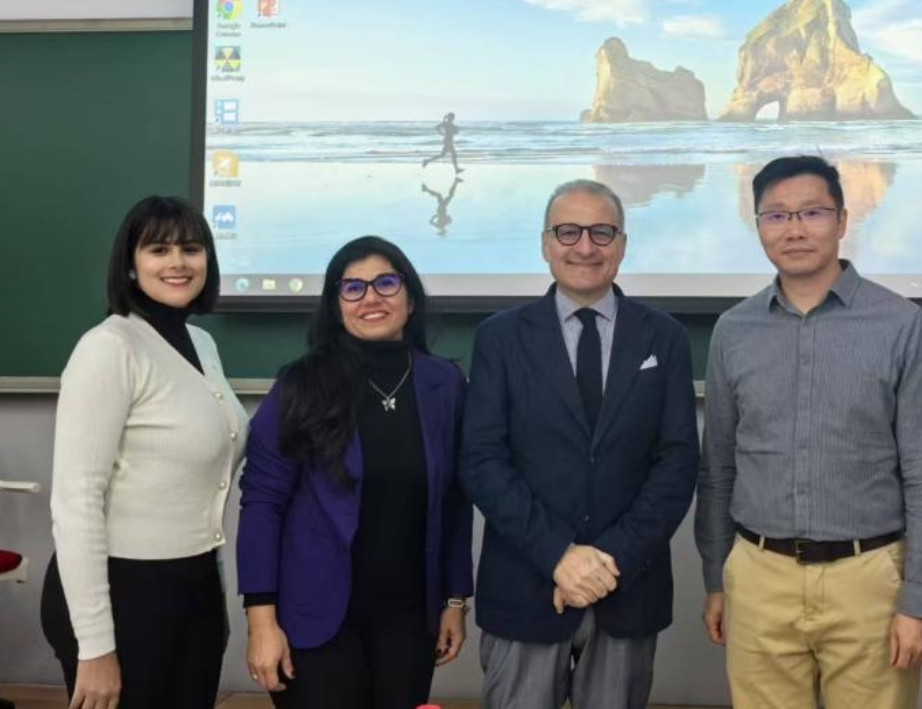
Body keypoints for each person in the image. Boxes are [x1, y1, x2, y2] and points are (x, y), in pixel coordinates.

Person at [695, 155, 922, 709]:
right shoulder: (733, 330)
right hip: (759, 577)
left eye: (811, 212)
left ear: (842, 219)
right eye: (776, 216)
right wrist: (718, 578)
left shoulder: (901, 324)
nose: (795, 229)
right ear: (758, 226)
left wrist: (918, 599)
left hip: (869, 579)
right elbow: (718, 469)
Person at [461, 179, 698, 709]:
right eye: (568, 232)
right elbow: (482, 461)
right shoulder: (500, 337)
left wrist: (607, 562)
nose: (585, 246)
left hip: (626, 589)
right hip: (526, 587)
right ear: (546, 244)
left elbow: (677, 463)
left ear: (622, 244)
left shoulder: (664, 337)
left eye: (601, 232)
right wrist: (559, 556)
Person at [237, 236, 473, 709]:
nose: (370, 297)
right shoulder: (300, 384)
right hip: (315, 620)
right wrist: (261, 622)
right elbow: (262, 503)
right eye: (353, 288)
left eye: (385, 283)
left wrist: (454, 600)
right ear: (336, 305)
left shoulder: (444, 385)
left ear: (410, 299)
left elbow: (454, 500)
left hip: (409, 620)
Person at [41, 195, 247, 709]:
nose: (178, 262)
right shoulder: (109, 347)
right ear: (131, 266)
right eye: (159, 249)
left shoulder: (201, 343)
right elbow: (76, 500)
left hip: (195, 586)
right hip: (122, 592)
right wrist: (95, 647)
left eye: (191, 249)